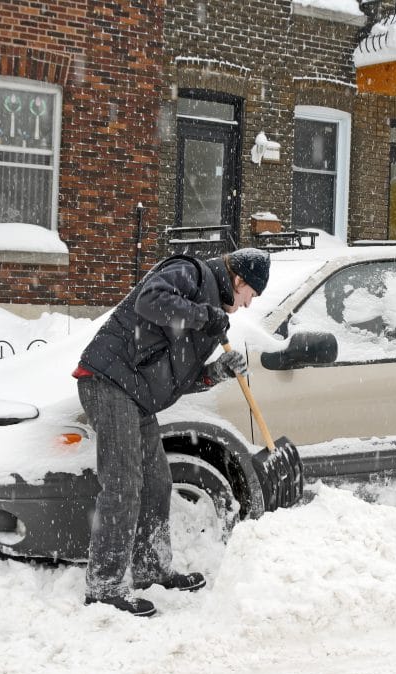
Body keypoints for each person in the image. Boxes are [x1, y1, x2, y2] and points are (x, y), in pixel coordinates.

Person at [72, 247, 271, 617]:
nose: (246, 306)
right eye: (250, 296)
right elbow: (151, 300)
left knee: (157, 483)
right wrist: (203, 316)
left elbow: (178, 378)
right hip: (109, 381)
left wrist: (217, 372)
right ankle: (104, 585)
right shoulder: (191, 273)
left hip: (137, 395)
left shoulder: (210, 317)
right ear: (240, 280)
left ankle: (151, 567)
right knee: (123, 483)